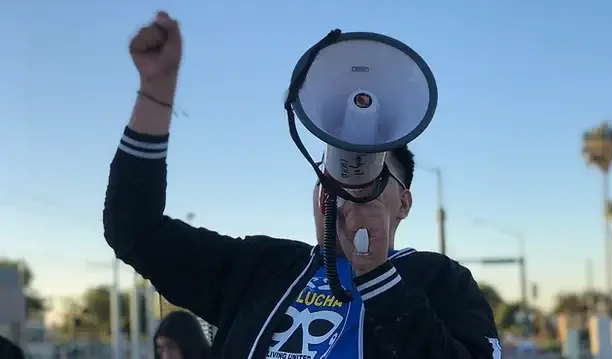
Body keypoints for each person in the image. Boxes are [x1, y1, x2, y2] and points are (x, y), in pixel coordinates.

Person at [104, 11, 500, 359]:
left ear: (404, 203)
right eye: (326, 177)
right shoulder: (260, 268)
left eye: (374, 177)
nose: (342, 190)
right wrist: (156, 93)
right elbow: (134, 229)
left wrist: (378, 276)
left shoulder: (440, 281)